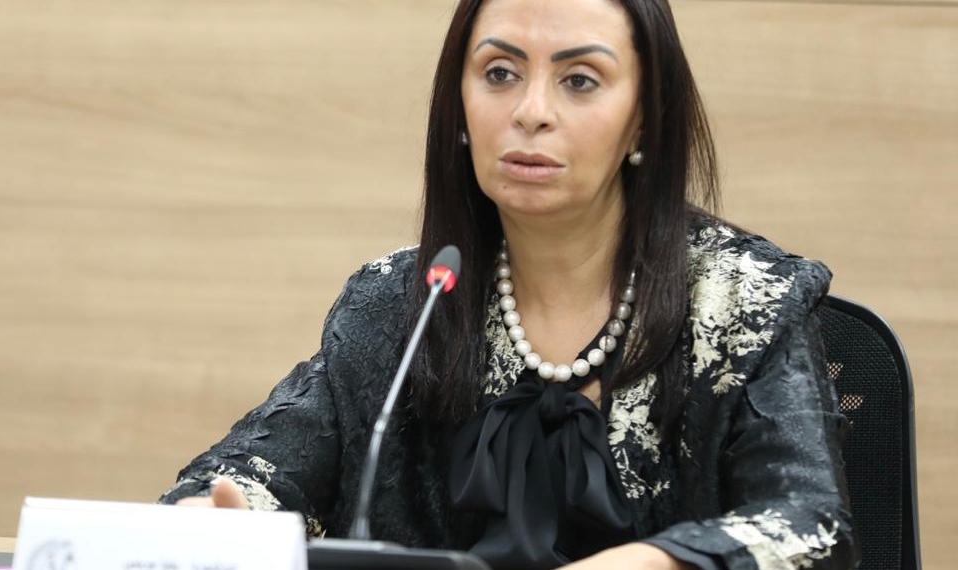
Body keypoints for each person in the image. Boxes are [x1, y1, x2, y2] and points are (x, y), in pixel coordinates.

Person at [160, 0, 859, 568]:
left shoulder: (742, 301)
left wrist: (652, 563)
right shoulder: (405, 303)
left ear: (644, 116)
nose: (531, 111)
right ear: (459, 105)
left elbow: (811, 527)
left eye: (579, 80)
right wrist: (218, 517)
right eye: (499, 73)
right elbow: (252, 473)